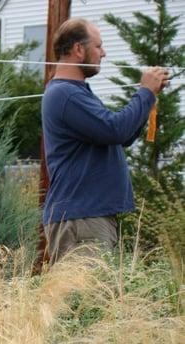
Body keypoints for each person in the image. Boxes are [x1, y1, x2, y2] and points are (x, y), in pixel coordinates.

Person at [42, 18, 169, 265]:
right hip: (80, 220)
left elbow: (121, 135)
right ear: (79, 49)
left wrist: (149, 97)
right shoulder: (65, 94)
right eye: (99, 46)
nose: (104, 53)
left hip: (87, 217)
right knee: (86, 301)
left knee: (96, 300)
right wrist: (145, 92)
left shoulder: (75, 93)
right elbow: (115, 129)